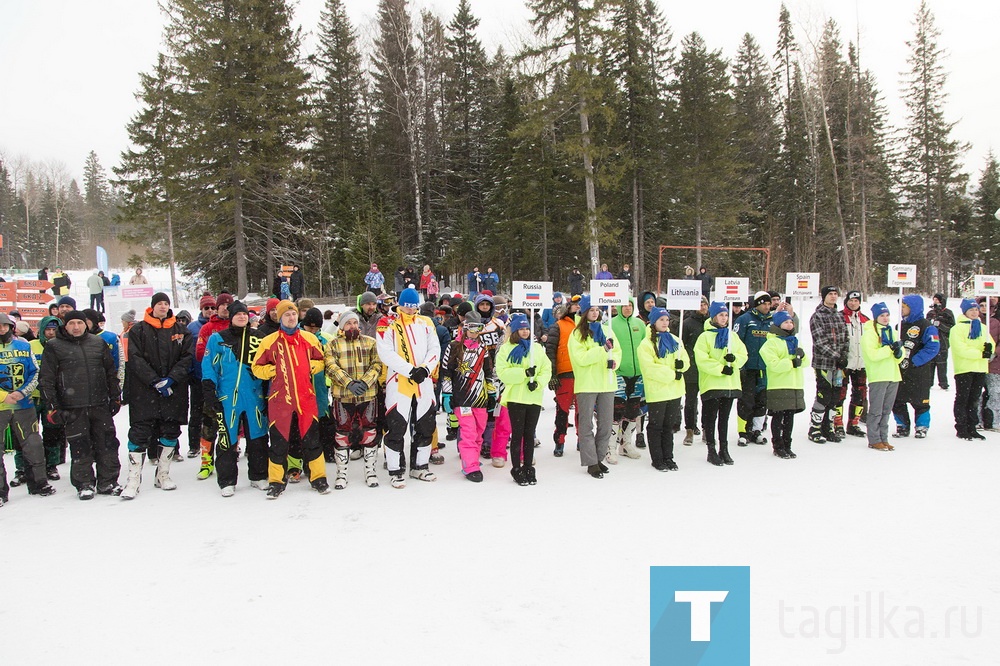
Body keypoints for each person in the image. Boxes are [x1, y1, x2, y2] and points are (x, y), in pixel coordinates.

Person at [39, 309, 121, 499]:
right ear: (65, 326)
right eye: (71, 323)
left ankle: (108, 481)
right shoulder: (54, 346)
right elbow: (47, 379)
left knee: (107, 443)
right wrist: (53, 406)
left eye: (80, 323)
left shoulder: (98, 343)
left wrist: (115, 396)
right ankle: (84, 483)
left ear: (86, 325)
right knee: (80, 445)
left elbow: (110, 372)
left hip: (99, 404)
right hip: (72, 407)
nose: (76, 327)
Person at [252, 300, 330, 498]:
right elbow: (256, 367)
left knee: (312, 440)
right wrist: (271, 370)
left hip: (306, 398)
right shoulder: (269, 341)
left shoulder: (309, 339)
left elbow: (322, 360)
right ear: (279, 317)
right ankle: (276, 482)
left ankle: (318, 478)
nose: (291, 317)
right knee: (279, 443)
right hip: (281, 400)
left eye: (294, 314)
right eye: (287, 315)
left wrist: (314, 366)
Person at [120, 292, 195, 499]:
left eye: (166, 303)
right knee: (139, 433)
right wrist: (154, 380)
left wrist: (171, 379)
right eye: (159, 303)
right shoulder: (138, 330)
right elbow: (134, 358)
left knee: (170, 431)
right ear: (152, 307)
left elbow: (187, 357)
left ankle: (163, 474)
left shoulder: (181, 330)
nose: (163, 307)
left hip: (173, 390)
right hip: (144, 391)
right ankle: (133, 479)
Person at [202, 300, 269, 496]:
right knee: (227, 438)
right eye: (238, 314)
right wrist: (209, 390)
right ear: (231, 317)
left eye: (245, 314)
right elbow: (209, 366)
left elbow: (267, 365)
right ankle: (227, 480)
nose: (242, 317)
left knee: (257, 437)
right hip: (227, 396)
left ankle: (258, 476)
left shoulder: (259, 337)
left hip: (253, 395)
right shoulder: (218, 339)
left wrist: (267, 391)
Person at [376, 287, 439, 488]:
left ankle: (420, 466)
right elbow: (385, 353)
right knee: (396, 428)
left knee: (425, 425)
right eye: (407, 307)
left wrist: (425, 369)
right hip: (399, 382)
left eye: (414, 307)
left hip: (423, 383)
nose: (411, 311)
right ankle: (395, 469)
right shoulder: (387, 323)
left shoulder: (426, 322)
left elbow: (435, 348)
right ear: (400, 304)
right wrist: (410, 370)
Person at [0, 312, 58, 505]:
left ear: (11, 327)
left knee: (33, 445)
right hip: (1, 406)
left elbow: (35, 372)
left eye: (5, 326)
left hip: (24, 404)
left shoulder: (24, 346)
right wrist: (4, 396)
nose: (1, 329)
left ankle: (38, 483)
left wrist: (24, 392)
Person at [324, 310, 383, 489]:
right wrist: (348, 383)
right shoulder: (333, 344)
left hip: (368, 395)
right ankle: (341, 474)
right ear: (342, 326)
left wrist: (365, 382)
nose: (353, 326)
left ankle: (370, 471)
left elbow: (377, 363)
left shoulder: (370, 342)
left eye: (355, 323)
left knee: (370, 432)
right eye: (349, 323)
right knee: (342, 434)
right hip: (343, 396)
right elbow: (330, 366)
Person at [568, 295, 622, 479]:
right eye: (591, 309)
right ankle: (591, 462)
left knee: (606, 424)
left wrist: (614, 361)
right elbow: (581, 359)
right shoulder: (576, 334)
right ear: (583, 312)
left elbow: (617, 351)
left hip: (606, 382)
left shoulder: (607, 330)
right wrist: (602, 351)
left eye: (597, 309)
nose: (595, 312)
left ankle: (599, 458)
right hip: (587, 383)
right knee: (586, 425)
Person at [495, 313, 551, 485]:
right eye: (521, 329)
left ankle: (528, 466)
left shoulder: (537, 349)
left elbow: (546, 369)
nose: (525, 332)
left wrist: (539, 383)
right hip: (516, 398)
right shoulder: (506, 349)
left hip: (533, 398)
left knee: (529, 434)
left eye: (527, 328)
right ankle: (516, 468)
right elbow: (503, 372)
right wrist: (524, 373)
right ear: (515, 331)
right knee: (517, 434)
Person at [441, 311, 495, 482]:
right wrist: (447, 394)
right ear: (465, 328)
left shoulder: (482, 348)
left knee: (479, 431)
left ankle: (473, 459)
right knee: (468, 432)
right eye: (471, 327)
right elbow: (446, 372)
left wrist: (492, 392)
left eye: (478, 328)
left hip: (480, 398)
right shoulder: (454, 346)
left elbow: (488, 372)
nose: (474, 331)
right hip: (461, 397)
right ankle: (470, 466)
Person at [694, 302, 748, 466]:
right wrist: (721, 368)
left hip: (730, 384)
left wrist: (735, 361)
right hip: (712, 383)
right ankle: (711, 449)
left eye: (726, 315)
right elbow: (702, 359)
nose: (724, 318)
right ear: (713, 316)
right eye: (721, 315)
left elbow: (743, 353)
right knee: (711, 418)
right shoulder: (705, 337)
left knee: (724, 418)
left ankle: (723, 449)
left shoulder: (732, 336)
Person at [637, 307, 688, 471]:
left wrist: (682, 366)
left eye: (667, 320)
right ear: (653, 322)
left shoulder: (675, 340)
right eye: (661, 320)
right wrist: (672, 373)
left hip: (674, 390)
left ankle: (668, 456)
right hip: (657, 391)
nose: (665, 323)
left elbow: (685, 360)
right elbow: (649, 368)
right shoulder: (646, 344)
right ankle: (657, 458)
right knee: (656, 425)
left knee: (668, 425)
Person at [891, 295, 940, 439]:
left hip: (919, 371)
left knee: (921, 401)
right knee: (898, 399)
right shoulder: (899, 326)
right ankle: (902, 425)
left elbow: (933, 346)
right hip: (901, 370)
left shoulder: (926, 326)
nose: (901, 309)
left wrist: (915, 360)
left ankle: (922, 426)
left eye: (904, 306)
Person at [760, 310, 807, 459]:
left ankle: (788, 443)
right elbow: (773, 364)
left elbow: (805, 363)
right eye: (786, 322)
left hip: (794, 384)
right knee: (778, 416)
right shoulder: (771, 342)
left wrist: (802, 357)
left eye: (791, 322)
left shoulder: (795, 341)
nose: (789, 324)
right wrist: (791, 362)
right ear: (779, 324)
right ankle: (778, 445)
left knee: (789, 417)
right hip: (779, 385)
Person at [861, 302, 904, 451]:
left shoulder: (892, 332)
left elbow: (899, 353)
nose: (885, 318)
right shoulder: (870, 334)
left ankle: (884, 438)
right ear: (876, 317)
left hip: (893, 375)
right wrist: (889, 349)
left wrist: (899, 353)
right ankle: (874, 439)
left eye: (887, 315)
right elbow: (872, 355)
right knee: (876, 410)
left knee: (886, 410)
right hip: (878, 375)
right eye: (882, 316)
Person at [808, 286, 848, 443]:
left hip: (839, 366)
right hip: (823, 363)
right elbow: (820, 341)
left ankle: (828, 427)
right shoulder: (817, 316)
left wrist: (844, 355)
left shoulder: (839, 316)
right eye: (830, 294)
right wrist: (836, 356)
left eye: (835, 294)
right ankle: (815, 427)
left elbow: (845, 337)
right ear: (824, 296)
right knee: (823, 395)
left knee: (835, 397)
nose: (833, 296)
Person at [609, 298, 647, 463]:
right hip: (619, 373)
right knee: (616, 412)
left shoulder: (640, 324)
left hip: (637, 374)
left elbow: (646, 345)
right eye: (624, 305)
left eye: (630, 305)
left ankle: (626, 444)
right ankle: (610, 447)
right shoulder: (611, 324)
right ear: (618, 306)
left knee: (633, 411)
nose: (627, 308)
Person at [951, 299, 994, 441]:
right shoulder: (957, 329)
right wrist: (980, 354)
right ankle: (961, 427)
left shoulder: (982, 327)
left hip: (979, 368)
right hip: (964, 368)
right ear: (965, 312)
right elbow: (960, 348)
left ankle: (972, 426)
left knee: (974, 399)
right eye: (971, 310)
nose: (975, 312)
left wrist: (989, 350)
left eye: (976, 310)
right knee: (963, 398)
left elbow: (990, 344)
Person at [734, 291, 773, 446]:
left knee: (761, 400)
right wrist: (740, 365)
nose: (767, 306)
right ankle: (743, 431)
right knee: (746, 400)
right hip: (748, 367)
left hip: (764, 368)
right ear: (757, 304)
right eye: (764, 303)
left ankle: (757, 430)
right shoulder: (745, 319)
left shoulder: (772, 321)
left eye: (769, 304)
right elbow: (737, 342)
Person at [545, 296, 581, 456]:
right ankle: (559, 440)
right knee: (562, 411)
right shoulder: (558, 326)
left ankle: (583, 440)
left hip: (583, 374)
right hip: (565, 374)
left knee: (583, 412)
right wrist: (552, 374)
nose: (576, 308)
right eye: (574, 305)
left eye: (579, 305)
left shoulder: (585, 325)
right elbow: (550, 351)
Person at [185, 294, 217, 457]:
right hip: (198, 377)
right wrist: (190, 372)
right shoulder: (192, 328)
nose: (210, 311)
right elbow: (189, 352)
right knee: (196, 412)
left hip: (216, 378)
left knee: (214, 412)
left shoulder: (219, 326)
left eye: (212, 308)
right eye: (207, 308)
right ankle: (194, 444)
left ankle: (215, 443)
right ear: (201, 309)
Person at [835, 291, 868, 438]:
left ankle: (854, 423)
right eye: (851, 300)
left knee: (860, 394)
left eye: (856, 300)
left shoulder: (865, 320)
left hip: (861, 363)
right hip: (844, 363)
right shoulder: (839, 317)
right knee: (840, 394)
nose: (853, 303)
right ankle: (837, 423)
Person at [681, 297, 709, 445]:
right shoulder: (687, 323)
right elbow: (682, 345)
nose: (703, 307)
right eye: (700, 304)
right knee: (691, 402)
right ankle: (690, 430)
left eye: (705, 304)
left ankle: (706, 429)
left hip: (707, 370)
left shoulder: (711, 323)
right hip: (691, 368)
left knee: (708, 401)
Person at [928, 293, 955, 390]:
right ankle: (929, 382)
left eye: (937, 300)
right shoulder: (930, 313)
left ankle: (943, 383)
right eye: (934, 299)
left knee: (942, 364)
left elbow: (952, 328)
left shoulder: (948, 313)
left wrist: (940, 325)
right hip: (931, 342)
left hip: (943, 342)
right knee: (930, 364)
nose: (935, 301)